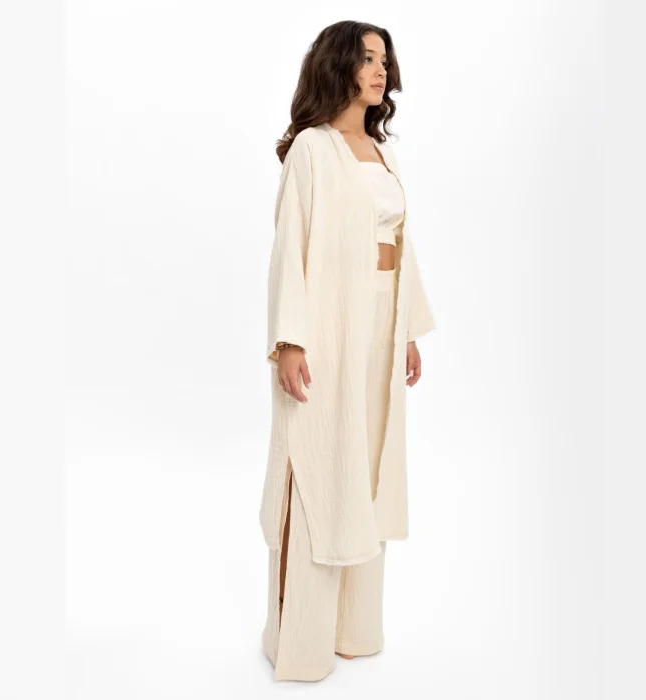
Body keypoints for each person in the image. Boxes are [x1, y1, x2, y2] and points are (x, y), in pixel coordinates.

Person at [259, 20, 436, 682]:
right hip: (332, 325)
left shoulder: (381, 152)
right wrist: (289, 340)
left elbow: (401, 244)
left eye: (384, 59)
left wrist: (408, 328)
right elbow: (290, 244)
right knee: (321, 457)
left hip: (382, 325)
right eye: (365, 58)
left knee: (367, 464)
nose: (379, 70)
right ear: (338, 66)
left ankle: (355, 629)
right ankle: (302, 642)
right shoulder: (313, 148)